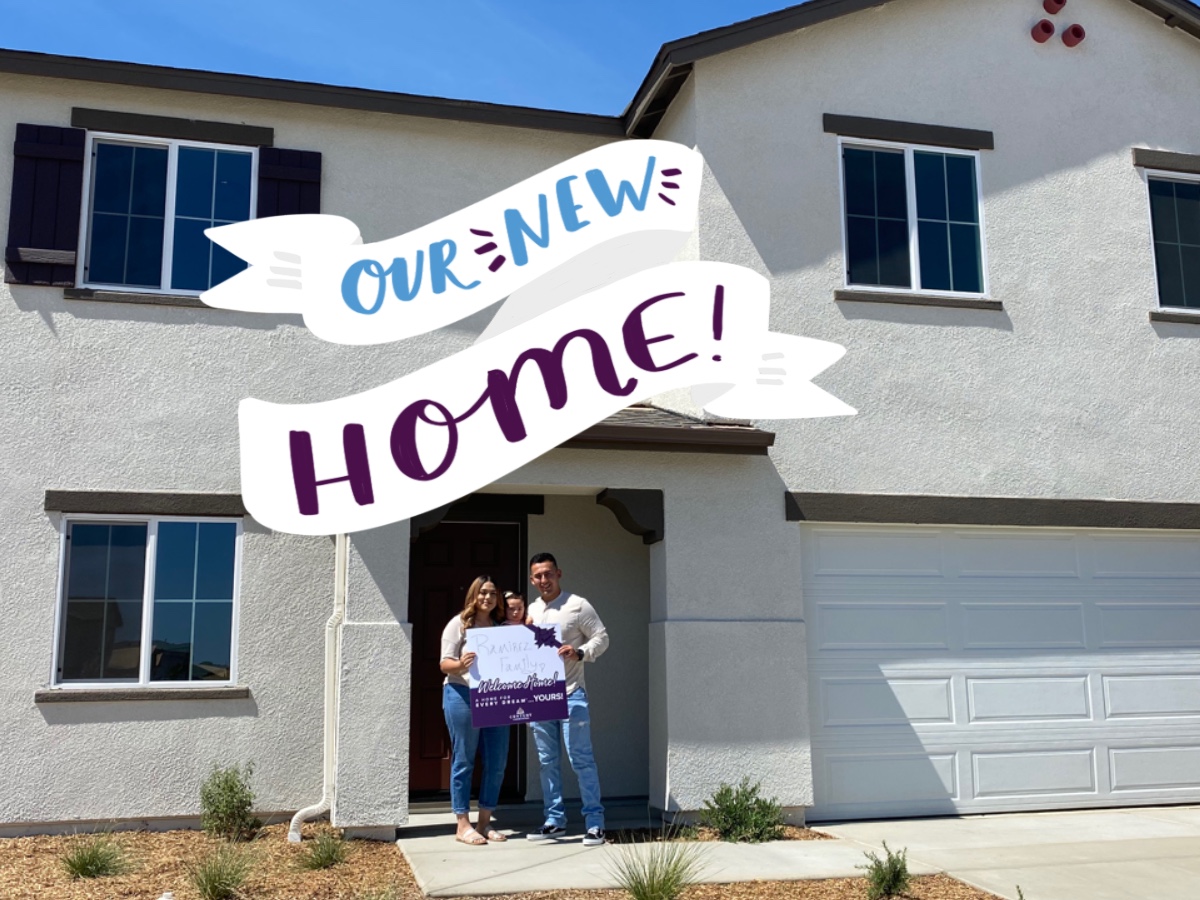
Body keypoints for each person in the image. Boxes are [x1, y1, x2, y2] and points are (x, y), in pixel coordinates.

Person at [525, 552, 609, 846]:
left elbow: (602, 637)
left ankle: (595, 824)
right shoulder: (531, 610)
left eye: (548, 574)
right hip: (540, 698)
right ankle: (554, 821)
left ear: (558, 573)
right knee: (547, 762)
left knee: (581, 760)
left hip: (572, 694)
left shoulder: (578, 605)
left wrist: (580, 652)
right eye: (538, 576)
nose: (544, 580)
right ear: (532, 579)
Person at [440, 575, 509, 845]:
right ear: (473, 595)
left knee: (497, 761)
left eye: (492, 593)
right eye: (482, 592)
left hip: (495, 698)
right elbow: (444, 663)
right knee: (464, 759)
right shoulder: (459, 624)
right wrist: (461, 665)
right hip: (462, 694)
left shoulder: (501, 628)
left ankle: (484, 822)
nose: (487, 598)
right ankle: (462, 824)